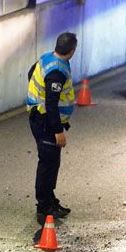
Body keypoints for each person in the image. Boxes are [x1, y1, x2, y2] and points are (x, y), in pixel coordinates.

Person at [26, 32, 78, 224]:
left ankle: (50, 201)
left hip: (41, 118)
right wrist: (58, 131)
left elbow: (31, 73)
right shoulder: (56, 72)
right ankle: (44, 207)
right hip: (45, 122)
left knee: (52, 162)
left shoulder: (47, 58)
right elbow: (51, 104)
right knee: (47, 164)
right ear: (72, 51)